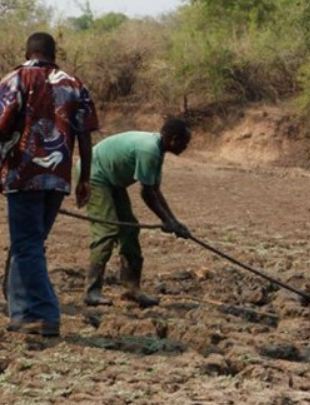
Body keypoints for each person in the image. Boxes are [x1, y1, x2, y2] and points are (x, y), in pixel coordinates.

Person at [0, 32, 98, 336]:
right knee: (28, 244)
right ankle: (21, 313)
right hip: (58, 178)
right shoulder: (74, 84)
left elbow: (1, 127)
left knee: (27, 245)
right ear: (54, 53)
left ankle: (45, 312)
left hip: (23, 174)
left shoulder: (15, 80)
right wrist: (84, 179)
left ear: (28, 51)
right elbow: (85, 136)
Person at [84, 118, 192, 308]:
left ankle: (131, 289)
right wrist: (168, 221)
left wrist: (174, 221)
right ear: (174, 140)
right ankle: (92, 291)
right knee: (107, 231)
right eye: (185, 142)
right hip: (95, 175)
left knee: (130, 230)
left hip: (112, 180)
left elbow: (155, 190)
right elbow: (147, 194)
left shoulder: (158, 149)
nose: (186, 147)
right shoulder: (148, 150)